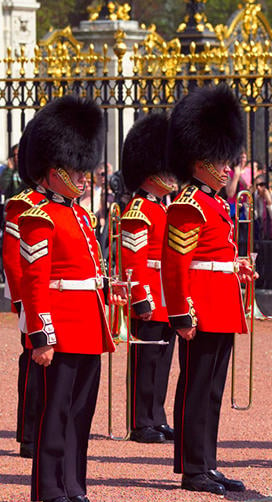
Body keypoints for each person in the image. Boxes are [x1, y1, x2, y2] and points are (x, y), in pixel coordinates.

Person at [17, 95, 116, 502]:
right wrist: (41, 334)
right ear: (54, 170)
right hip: (60, 327)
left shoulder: (78, 215)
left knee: (80, 413)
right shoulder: (39, 217)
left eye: (83, 167)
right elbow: (35, 282)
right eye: (76, 169)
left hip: (88, 325)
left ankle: (75, 486)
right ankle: (51, 489)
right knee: (55, 411)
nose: (83, 175)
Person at [162, 84, 256, 495]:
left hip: (221, 303)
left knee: (212, 388)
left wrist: (234, 267)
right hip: (201, 308)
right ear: (199, 161)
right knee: (198, 387)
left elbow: (211, 255)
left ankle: (207, 462)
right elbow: (176, 264)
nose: (228, 166)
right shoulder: (188, 204)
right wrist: (181, 311)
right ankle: (194, 467)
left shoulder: (214, 202)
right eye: (220, 159)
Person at [118, 112, 177, 444]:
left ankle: (157, 415)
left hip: (165, 296)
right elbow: (134, 260)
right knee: (145, 361)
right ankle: (141, 421)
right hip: (150, 297)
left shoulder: (163, 208)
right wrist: (141, 297)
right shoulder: (138, 210)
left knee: (162, 358)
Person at [2, 132, 46, 459]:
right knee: (33, 362)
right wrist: (21, 301)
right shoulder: (23, 203)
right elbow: (12, 258)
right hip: (31, 296)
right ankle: (30, 435)